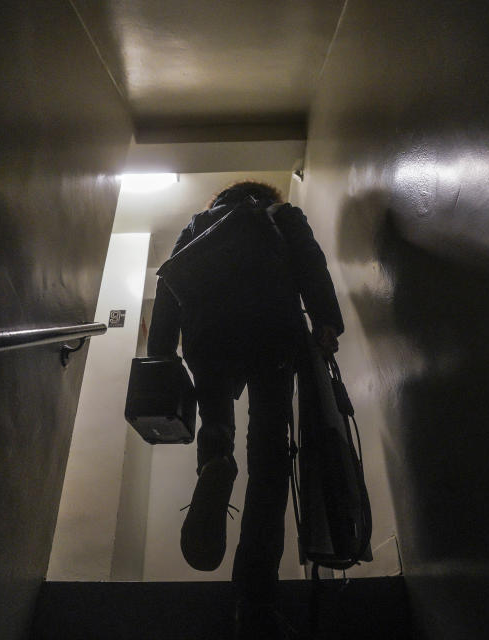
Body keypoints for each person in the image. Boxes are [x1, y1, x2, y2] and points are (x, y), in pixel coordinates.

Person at [146, 181, 343, 638]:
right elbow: (312, 264)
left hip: (208, 340)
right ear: (265, 194)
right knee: (269, 457)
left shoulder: (199, 223)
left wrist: (161, 354)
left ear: (220, 201)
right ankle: (255, 600)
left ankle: (215, 460)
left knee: (217, 423)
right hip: (273, 334)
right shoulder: (281, 215)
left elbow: (170, 280)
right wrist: (326, 321)